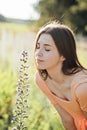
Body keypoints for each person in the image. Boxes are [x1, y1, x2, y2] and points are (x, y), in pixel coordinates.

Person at [34, 21, 87, 130]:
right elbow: (67, 119)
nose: (38, 53)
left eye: (47, 49)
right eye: (38, 46)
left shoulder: (82, 87)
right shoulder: (41, 79)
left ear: (63, 55)